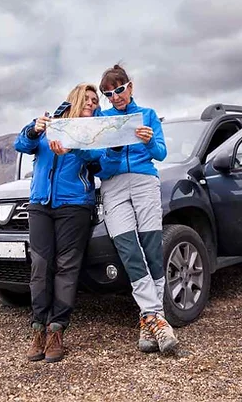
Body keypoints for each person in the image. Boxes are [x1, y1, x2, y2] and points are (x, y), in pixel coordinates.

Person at [13, 83, 102, 363]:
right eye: (87, 98)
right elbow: (22, 145)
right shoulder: (49, 121)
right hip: (41, 203)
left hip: (74, 205)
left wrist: (74, 148)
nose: (91, 103)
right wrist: (34, 129)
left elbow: (98, 161)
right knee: (40, 265)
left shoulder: (95, 130)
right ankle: (38, 328)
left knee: (66, 267)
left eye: (94, 100)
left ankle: (56, 330)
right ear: (74, 99)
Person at [97, 64, 180, 354]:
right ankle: (156, 317)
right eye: (109, 93)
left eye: (119, 90)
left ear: (130, 87)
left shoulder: (148, 114)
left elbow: (161, 152)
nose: (115, 97)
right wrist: (114, 149)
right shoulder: (102, 118)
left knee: (152, 247)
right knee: (129, 249)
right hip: (113, 185)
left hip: (145, 182)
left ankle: (149, 321)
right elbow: (101, 165)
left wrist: (147, 140)